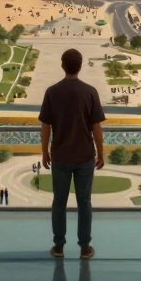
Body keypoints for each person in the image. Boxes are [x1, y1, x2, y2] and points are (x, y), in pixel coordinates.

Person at [39, 49, 106, 260]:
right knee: (84, 202)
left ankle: (59, 246)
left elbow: (45, 127)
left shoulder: (52, 91)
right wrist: (101, 153)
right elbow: (96, 128)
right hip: (85, 155)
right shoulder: (90, 92)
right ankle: (85, 247)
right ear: (80, 65)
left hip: (60, 155)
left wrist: (44, 152)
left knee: (59, 201)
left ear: (62, 65)